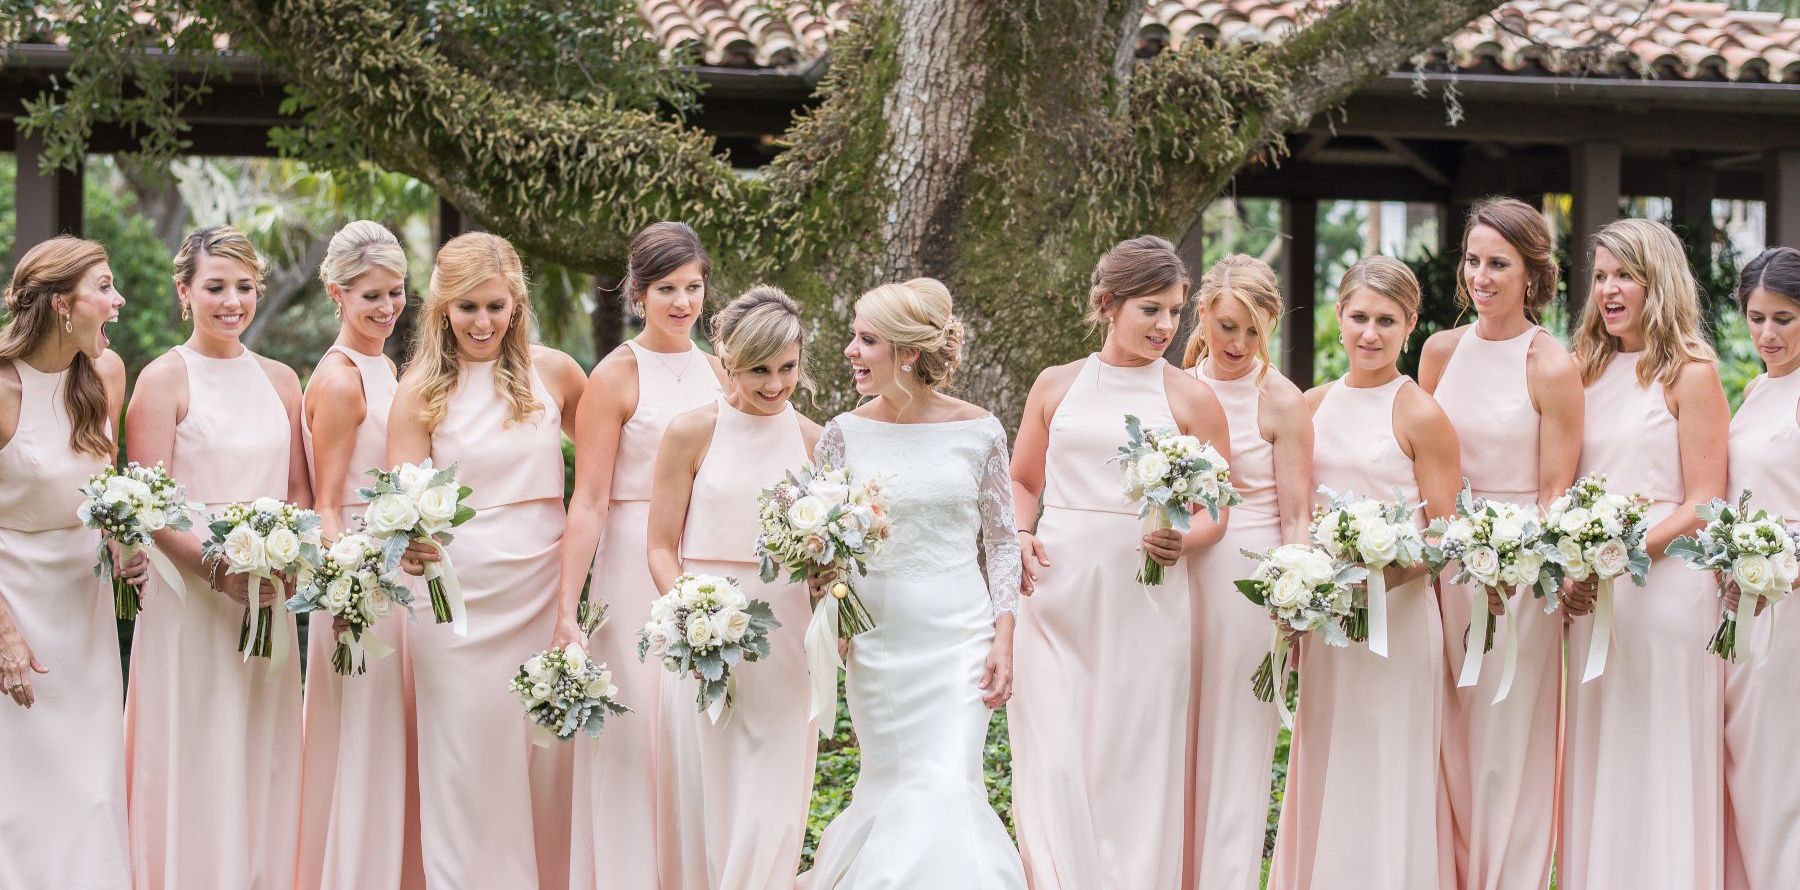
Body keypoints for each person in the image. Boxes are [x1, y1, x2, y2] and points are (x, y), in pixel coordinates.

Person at [1008, 235, 1229, 889]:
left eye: (1174, 311)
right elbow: (1023, 480)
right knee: (1052, 756)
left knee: (1132, 763)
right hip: (1054, 595)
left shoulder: (1190, 398)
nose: (1166, 326)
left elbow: (1218, 512)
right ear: (1108, 304)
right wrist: (1020, 534)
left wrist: (1183, 540)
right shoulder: (1056, 384)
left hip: (1147, 599)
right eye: (1150, 310)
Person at [802, 278, 1026, 889]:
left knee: (949, 782)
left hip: (959, 634)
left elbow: (1003, 541)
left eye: (866, 339)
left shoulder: (979, 430)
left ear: (908, 352)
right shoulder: (843, 434)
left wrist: (1004, 638)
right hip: (878, 641)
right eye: (854, 336)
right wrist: (830, 603)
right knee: (894, 781)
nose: (850, 350)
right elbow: (824, 547)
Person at [386, 231, 587, 888]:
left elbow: (611, 469)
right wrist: (409, 540)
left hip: (540, 589)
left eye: (496, 306)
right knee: (464, 761)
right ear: (443, 307)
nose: (483, 322)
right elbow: (401, 498)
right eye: (468, 307)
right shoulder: (419, 390)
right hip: (455, 599)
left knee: (543, 758)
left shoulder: (556, 373)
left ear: (517, 305)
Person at [124, 225, 310, 889]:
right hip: (191, 602)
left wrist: (280, 564)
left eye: (243, 286)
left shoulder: (284, 382)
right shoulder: (162, 380)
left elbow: (297, 490)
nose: (232, 301)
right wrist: (217, 570)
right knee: (198, 746)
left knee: (263, 749)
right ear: (184, 291)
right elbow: (150, 503)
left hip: (268, 599)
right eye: (215, 287)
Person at [1269, 256, 1462, 890]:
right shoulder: (1312, 404)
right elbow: (1292, 507)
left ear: (1410, 324)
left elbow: (1443, 535)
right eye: (1358, 318)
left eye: (1386, 320)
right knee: (1328, 762)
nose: (1370, 334)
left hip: (1396, 628)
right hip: (1328, 630)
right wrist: (1308, 590)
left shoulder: (1421, 413)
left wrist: (1373, 579)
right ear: (1339, 317)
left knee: (1387, 766)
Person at [1560, 217, 1729, 890]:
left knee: (1662, 756)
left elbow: (1705, 500)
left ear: (1657, 281)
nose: (1608, 290)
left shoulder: (1690, 373)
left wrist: (1619, 554)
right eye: (1600, 277)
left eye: (1624, 275)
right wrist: (1573, 565)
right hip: (1598, 597)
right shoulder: (1583, 371)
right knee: (1604, 756)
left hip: (1667, 595)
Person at [1418, 197, 1581, 890]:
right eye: (1474, 260)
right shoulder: (1438, 351)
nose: (1481, 277)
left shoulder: (1551, 364)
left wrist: (1516, 564)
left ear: (1533, 275)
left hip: (1519, 579)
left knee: (1506, 741)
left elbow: (1554, 492)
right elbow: (1417, 464)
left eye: (1499, 264)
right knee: (1447, 736)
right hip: (1442, 571)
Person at [557, 221, 725, 890]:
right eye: (666, 290)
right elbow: (589, 500)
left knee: (694, 729)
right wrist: (568, 610)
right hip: (631, 565)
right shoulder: (615, 375)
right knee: (634, 730)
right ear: (637, 292)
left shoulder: (720, 370)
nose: (682, 303)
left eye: (693, 287)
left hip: (702, 558)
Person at [646, 286, 822, 889]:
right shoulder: (690, 432)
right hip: (703, 632)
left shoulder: (814, 441)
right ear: (726, 360)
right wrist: (690, 612)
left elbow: (824, 554)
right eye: (758, 371)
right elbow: (660, 547)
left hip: (788, 637)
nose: (775, 385)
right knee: (709, 791)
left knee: (772, 795)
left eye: (788, 368)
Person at [294, 220, 425, 890]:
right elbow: (327, 502)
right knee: (364, 744)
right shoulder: (343, 379)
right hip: (359, 586)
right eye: (370, 295)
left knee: (394, 742)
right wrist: (344, 593)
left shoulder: (388, 367)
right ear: (337, 293)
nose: (385, 308)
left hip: (395, 578)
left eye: (396, 293)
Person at [0, 235, 134, 889]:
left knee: (93, 794)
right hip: (13, 609)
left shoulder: (105, 374)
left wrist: (123, 543)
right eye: (104, 288)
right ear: (60, 304)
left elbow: (102, 493)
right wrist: (3, 636)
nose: (118, 301)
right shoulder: (0, 389)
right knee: (18, 801)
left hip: (84, 616)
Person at [1179, 254, 1312, 890]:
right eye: (1228, 326)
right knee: (1174, 729)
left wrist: (1292, 594)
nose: (1238, 343)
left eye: (1253, 332)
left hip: (1245, 586)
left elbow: (1297, 514)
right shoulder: (1172, 387)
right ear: (1202, 313)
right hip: (1174, 578)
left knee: (1235, 738)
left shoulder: (1281, 401)